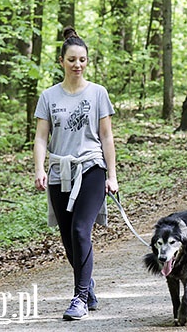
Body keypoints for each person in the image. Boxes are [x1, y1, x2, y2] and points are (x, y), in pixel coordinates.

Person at [33, 26, 118, 320]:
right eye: (71, 59)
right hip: (60, 171)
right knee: (69, 238)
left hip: (91, 167)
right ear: (61, 61)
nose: (77, 65)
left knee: (82, 230)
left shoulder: (98, 93)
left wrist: (112, 175)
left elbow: (106, 136)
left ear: (87, 62)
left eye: (82, 59)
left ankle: (80, 297)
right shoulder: (48, 96)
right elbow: (42, 137)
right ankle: (88, 285)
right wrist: (40, 168)